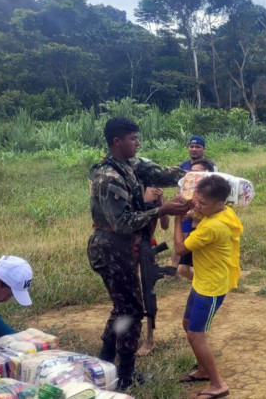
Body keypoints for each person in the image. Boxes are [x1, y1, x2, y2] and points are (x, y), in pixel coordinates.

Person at [88, 117, 191, 390]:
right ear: (116, 141)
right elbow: (121, 223)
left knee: (124, 308)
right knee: (131, 311)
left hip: (122, 246)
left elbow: (164, 174)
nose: (137, 142)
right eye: (132, 138)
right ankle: (124, 376)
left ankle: (105, 365)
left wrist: (200, 178)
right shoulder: (108, 177)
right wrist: (161, 210)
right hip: (110, 246)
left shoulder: (132, 165)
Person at [174, 175, 242, 399]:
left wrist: (177, 220)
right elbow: (198, 216)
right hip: (201, 281)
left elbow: (181, 248)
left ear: (219, 203)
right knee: (187, 324)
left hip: (211, 288)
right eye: (198, 200)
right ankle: (203, 369)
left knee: (196, 334)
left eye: (202, 203)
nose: (197, 205)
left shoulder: (213, 226)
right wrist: (194, 212)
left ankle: (217, 384)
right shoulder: (224, 213)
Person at [137, 186, 169, 356]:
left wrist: (161, 203)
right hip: (128, 246)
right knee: (133, 292)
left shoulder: (155, 193)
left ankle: (149, 339)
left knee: (148, 292)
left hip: (147, 245)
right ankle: (135, 334)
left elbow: (164, 226)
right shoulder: (131, 189)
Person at [174, 160, 216, 281]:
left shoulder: (214, 193)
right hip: (195, 230)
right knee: (182, 269)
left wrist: (190, 214)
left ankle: (208, 285)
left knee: (200, 266)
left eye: (197, 172)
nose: (193, 174)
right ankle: (205, 283)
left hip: (207, 233)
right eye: (191, 172)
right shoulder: (189, 190)